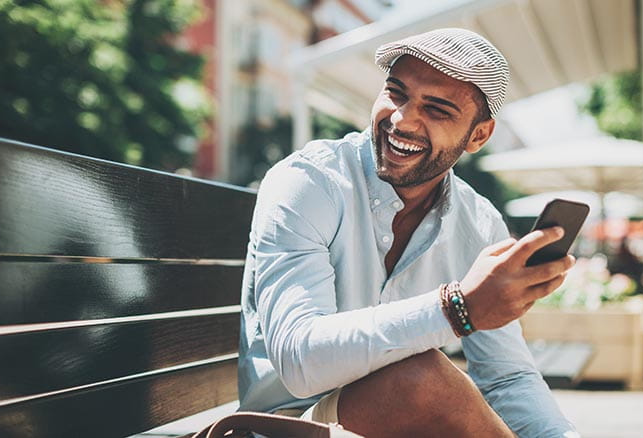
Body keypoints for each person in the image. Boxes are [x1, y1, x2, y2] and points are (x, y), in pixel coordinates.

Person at [238, 28, 579, 437]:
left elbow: (507, 378)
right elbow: (301, 362)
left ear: (478, 135)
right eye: (396, 93)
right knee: (421, 380)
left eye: (436, 109)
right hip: (284, 426)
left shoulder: (479, 222)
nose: (401, 119)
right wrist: (457, 308)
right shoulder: (308, 182)